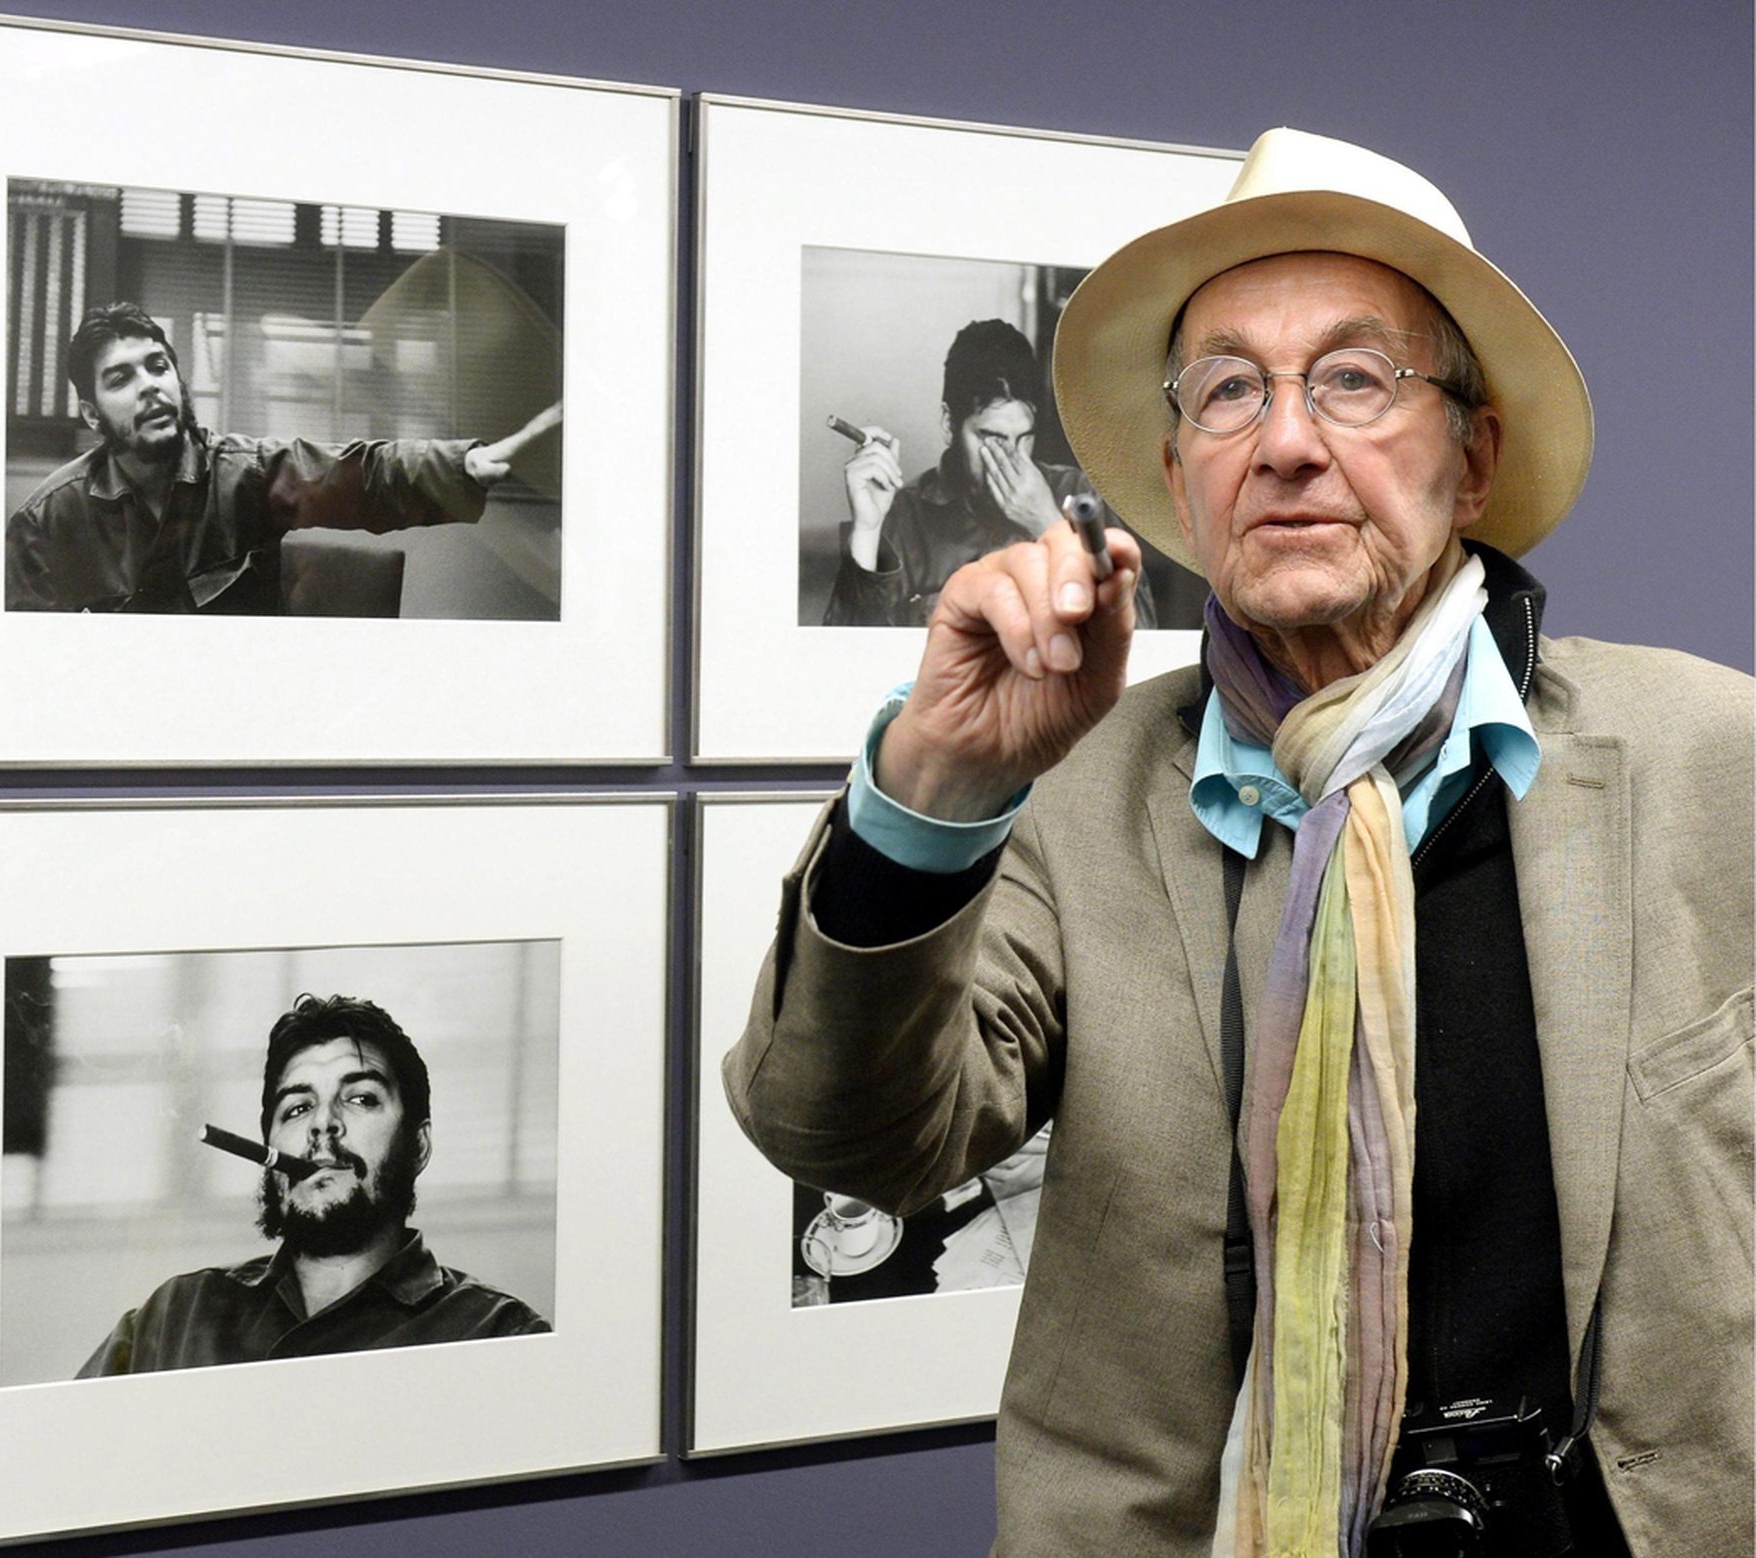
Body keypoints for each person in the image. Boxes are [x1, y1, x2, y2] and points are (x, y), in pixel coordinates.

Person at [728, 128, 1751, 1557]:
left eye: (1354, 377)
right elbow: (848, 1135)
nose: (1283, 440)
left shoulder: (1715, 758)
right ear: (1179, 475)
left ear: (1474, 456)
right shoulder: (1076, 792)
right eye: (1228, 392)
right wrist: (941, 787)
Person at [80, 993, 548, 1376]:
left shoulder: (499, 1335)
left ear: (418, 1146)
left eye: (361, 1098)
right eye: (298, 1108)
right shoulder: (175, 1318)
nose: (323, 1125)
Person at [6, 302, 562, 613]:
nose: (150, 386)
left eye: (158, 366)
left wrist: (462, 467)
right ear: (90, 413)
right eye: (121, 378)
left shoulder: (244, 475)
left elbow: (361, 474)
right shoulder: (47, 521)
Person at [823, 317, 1156, 629]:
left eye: (1024, 437)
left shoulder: (1077, 493)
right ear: (948, 424)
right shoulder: (904, 515)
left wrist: (1049, 524)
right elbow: (844, 657)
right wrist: (867, 530)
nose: (1011, 457)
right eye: (991, 438)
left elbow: (1142, 633)